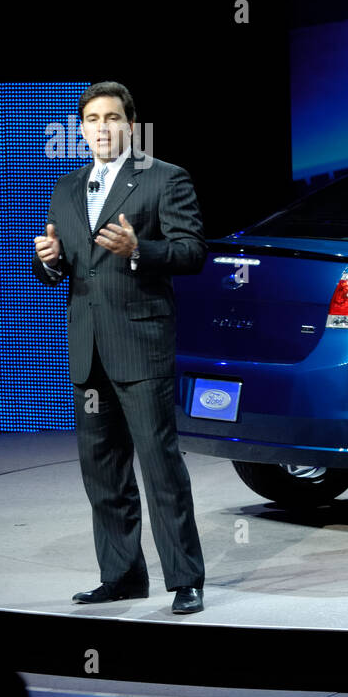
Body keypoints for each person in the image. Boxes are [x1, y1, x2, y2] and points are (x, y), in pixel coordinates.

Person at [32, 81, 208, 613]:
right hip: (88, 350)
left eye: (112, 118)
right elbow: (60, 268)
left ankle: (185, 580)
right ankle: (122, 575)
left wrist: (140, 249)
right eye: (92, 119)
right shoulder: (66, 189)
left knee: (160, 467)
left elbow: (193, 251)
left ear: (130, 125)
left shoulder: (163, 179)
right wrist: (47, 261)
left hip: (141, 343)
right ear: (81, 129)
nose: (102, 128)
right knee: (102, 471)